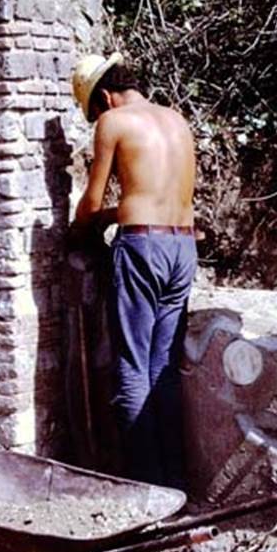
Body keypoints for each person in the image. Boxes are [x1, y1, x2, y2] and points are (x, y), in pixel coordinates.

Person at [71, 52, 197, 491]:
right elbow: (152, 194)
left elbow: (90, 203)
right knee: (162, 367)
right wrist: (115, 215)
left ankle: (145, 488)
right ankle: (174, 483)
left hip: (142, 247)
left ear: (104, 97)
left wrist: (81, 227)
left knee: (130, 369)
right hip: (183, 247)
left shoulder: (114, 122)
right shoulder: (177, 120)